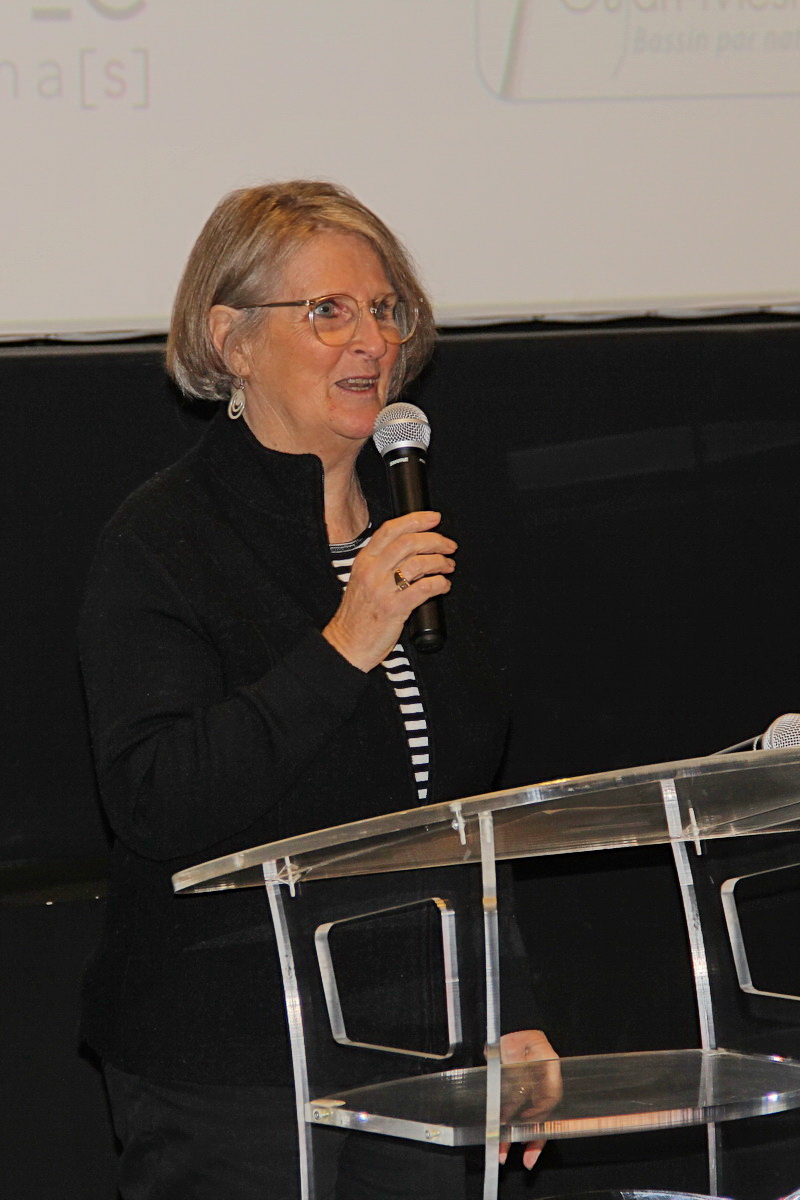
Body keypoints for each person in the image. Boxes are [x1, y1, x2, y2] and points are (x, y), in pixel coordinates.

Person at [79, 180, 553, 1199]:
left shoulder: (414, 530)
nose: (369, 340)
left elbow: (462, 808)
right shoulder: (163, 541)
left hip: (423, 1038)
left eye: (384, 309)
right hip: (232, 1057)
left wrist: (506, 1008)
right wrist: (344, 643)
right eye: (328, 310)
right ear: (232, 341)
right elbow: (157, 798)